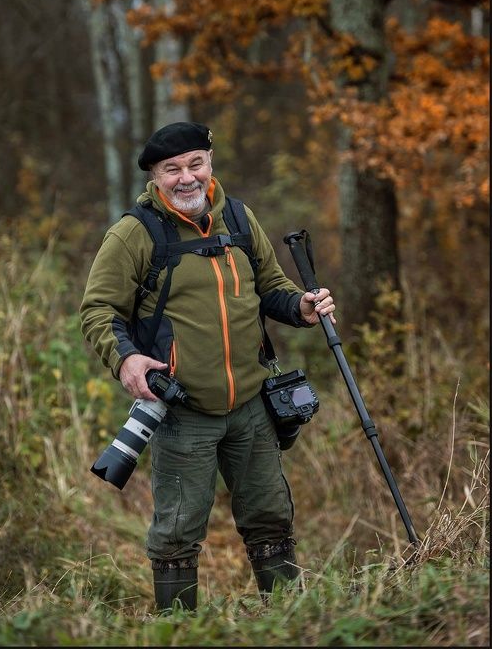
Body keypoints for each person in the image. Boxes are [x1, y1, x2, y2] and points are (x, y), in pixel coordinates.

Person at [80, 121, 336, 611]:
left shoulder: (239, 218)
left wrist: (300, 306)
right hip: (182, 410)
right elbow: (98, 310)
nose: (186, 178)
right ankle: (178, 630)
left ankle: (287, 620)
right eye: (171, 169)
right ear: (155, 176)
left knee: (270, 518)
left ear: (210, 163)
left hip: (252, 407)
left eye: (195, 164)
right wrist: (128, 359)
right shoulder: (135, 232)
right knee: (176, 531)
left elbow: (272, 287)